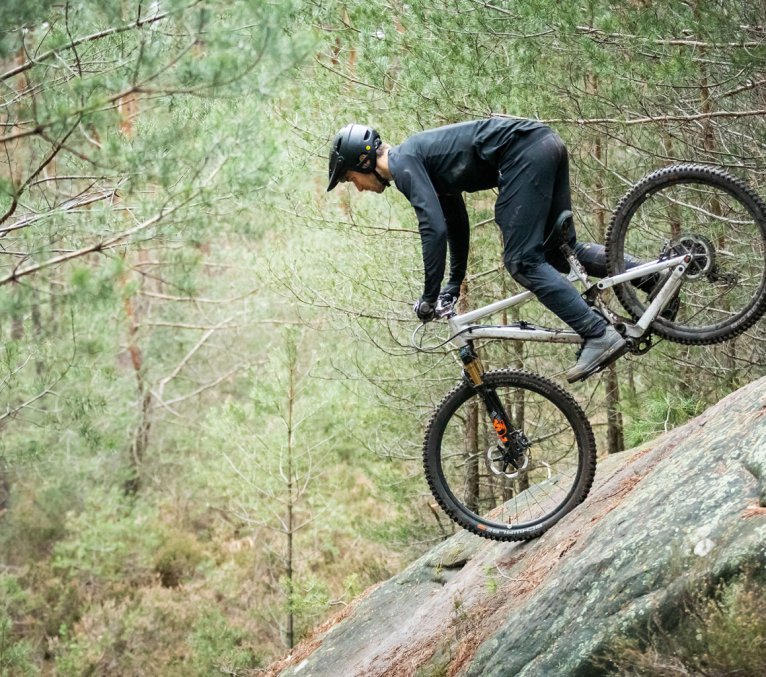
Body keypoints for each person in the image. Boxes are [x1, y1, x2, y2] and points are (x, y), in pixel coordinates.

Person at [326, 119, 629, 382]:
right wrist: (453, 284)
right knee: (559, 252)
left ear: (364, 163)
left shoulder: (404, 162)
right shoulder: (418, 160)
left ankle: (598, 333)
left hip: (525, 154)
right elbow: (456, 224)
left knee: (522, 261)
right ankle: (648, 277)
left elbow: (433, 229)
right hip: (544, 144)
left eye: (351, 179)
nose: (359, 188)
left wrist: (429, 297)